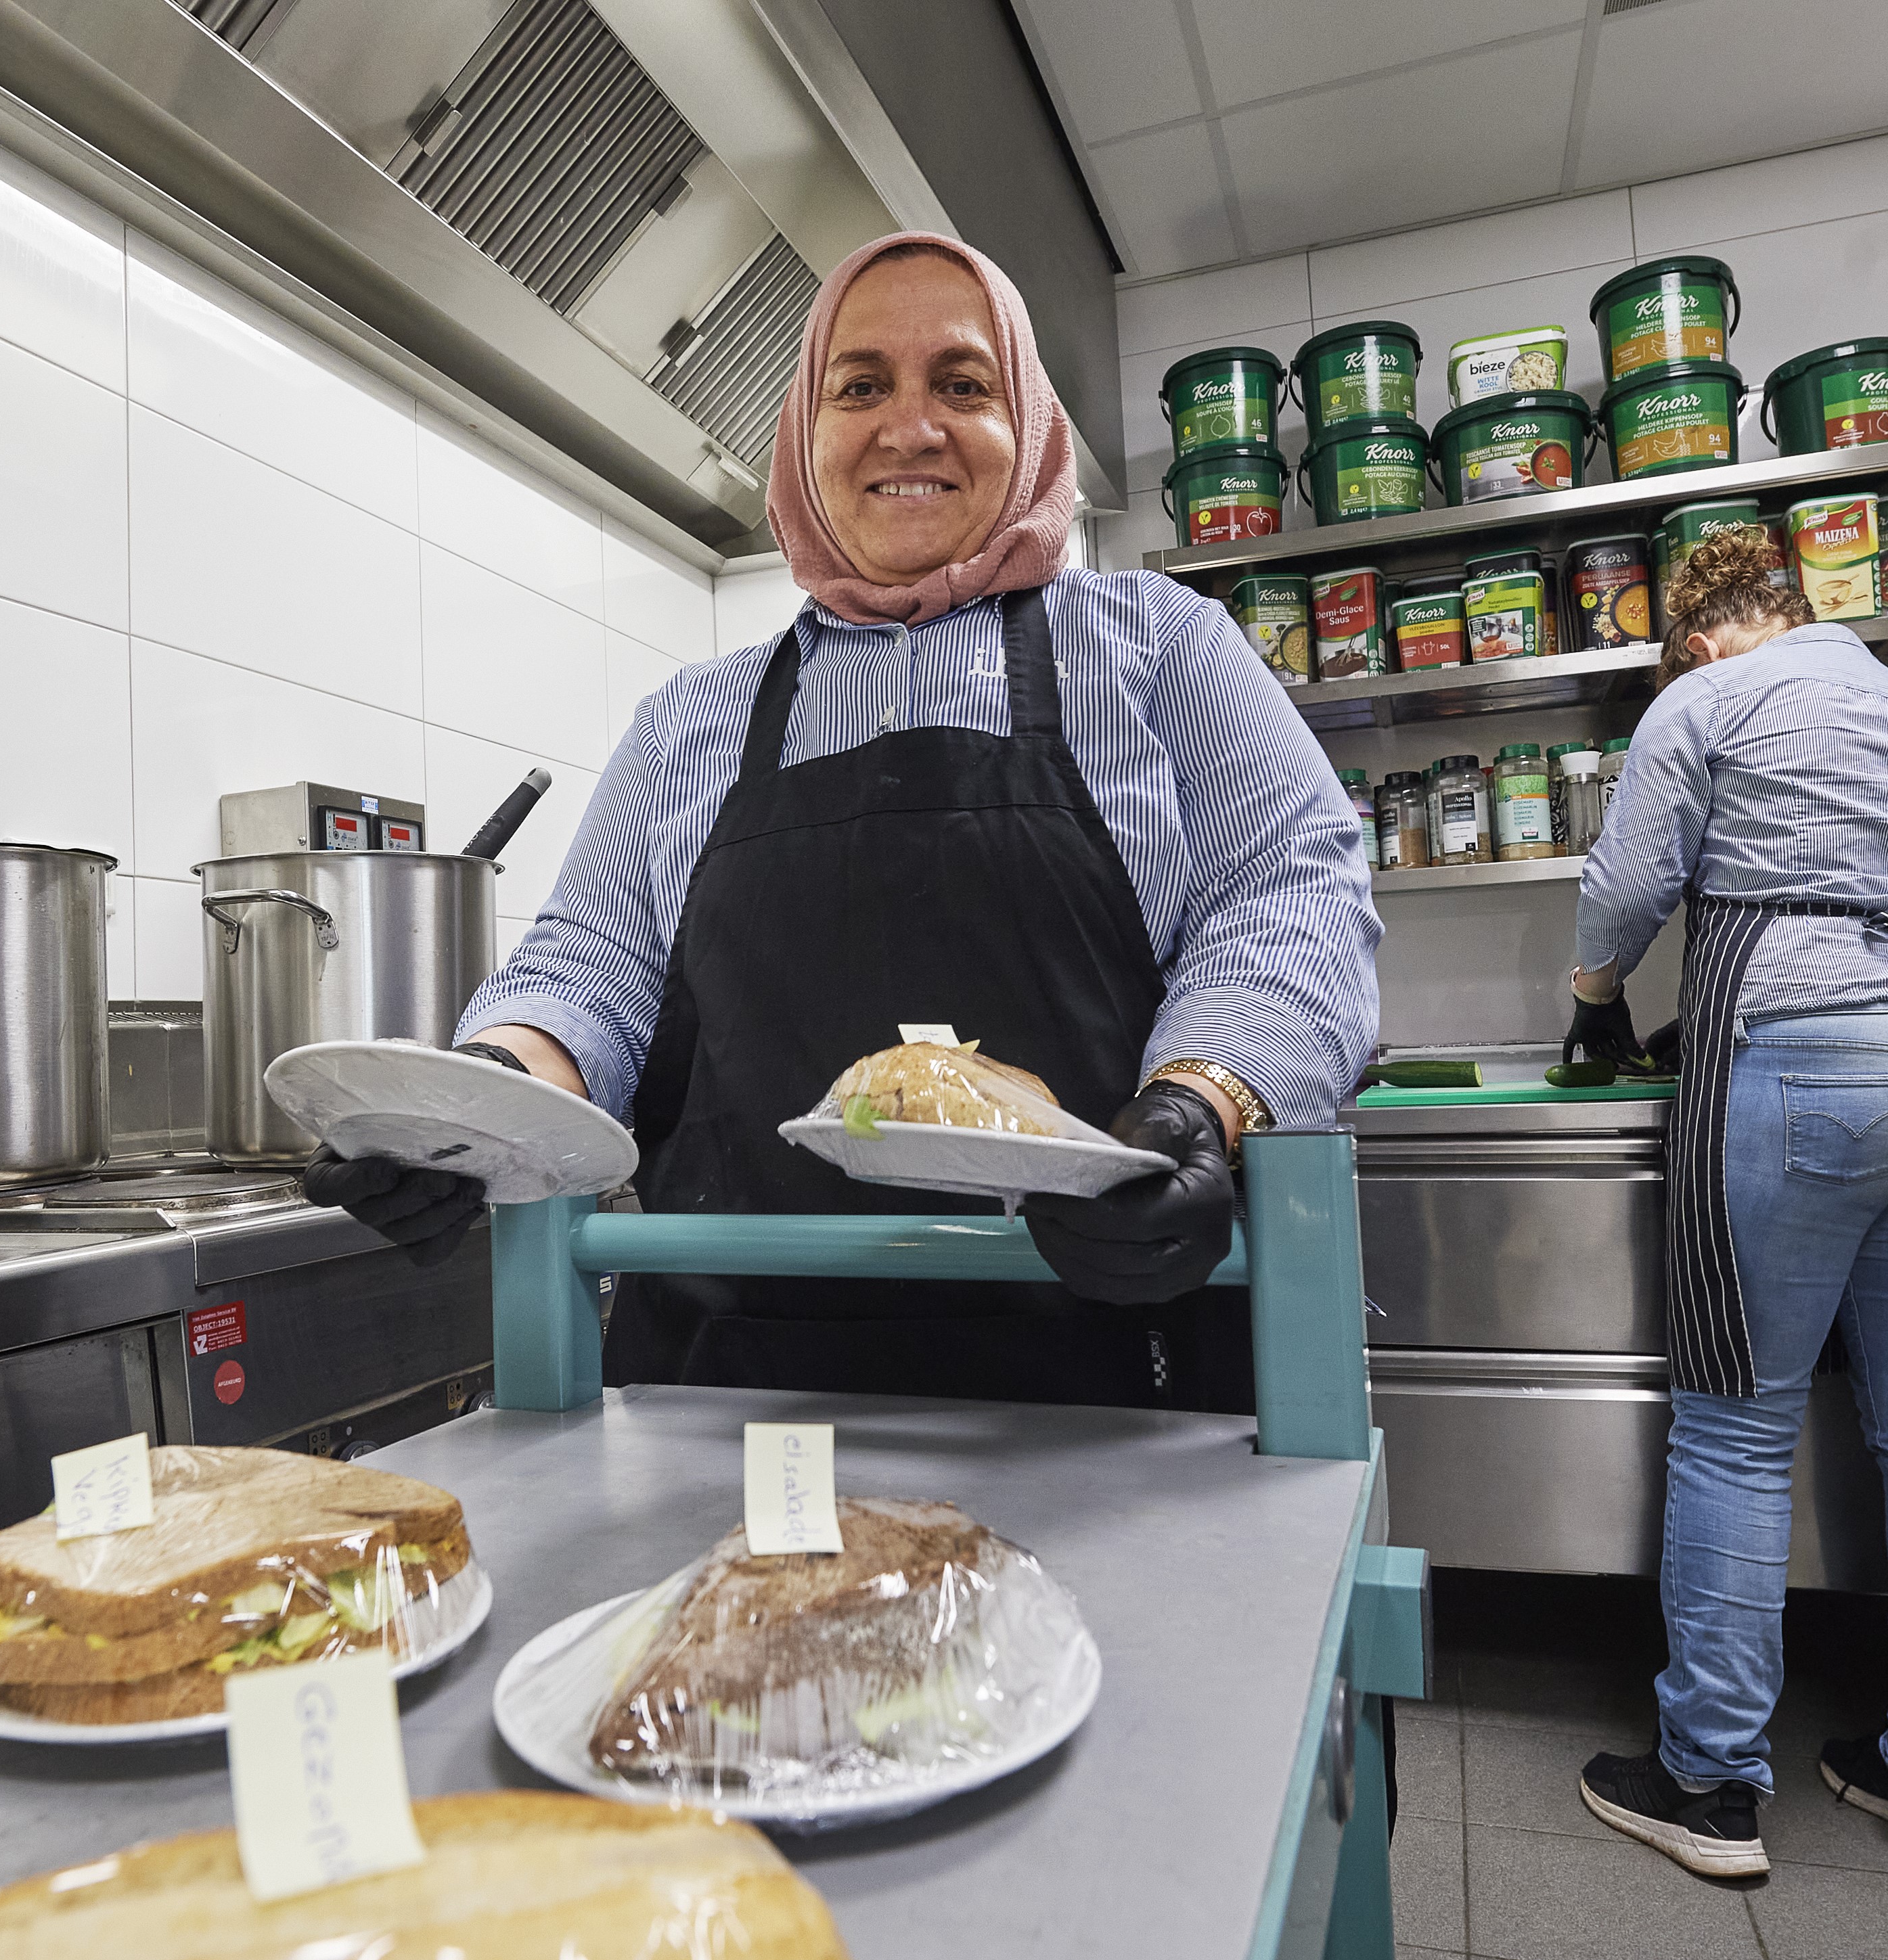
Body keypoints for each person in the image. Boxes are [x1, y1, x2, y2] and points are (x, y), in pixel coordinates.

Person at [306, 232, 1380, 1410]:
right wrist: (474, 1104)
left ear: (1022, 425)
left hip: (1111, 1369)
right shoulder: (689, 720)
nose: (906, 428)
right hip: (736, 1408)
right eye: (859, 385)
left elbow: (1290, 892)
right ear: (803, 438)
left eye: (960, 386)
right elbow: (587, 970)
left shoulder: (1159, 646)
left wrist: (1196, 1103)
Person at [1563, 527, 1888, 1879]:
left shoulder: (1711, 696)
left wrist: (1593, 1008)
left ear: (1705, 636)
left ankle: (1708, 1777)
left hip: (1792, 1063)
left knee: (1733, 1424)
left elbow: (1624, 891)